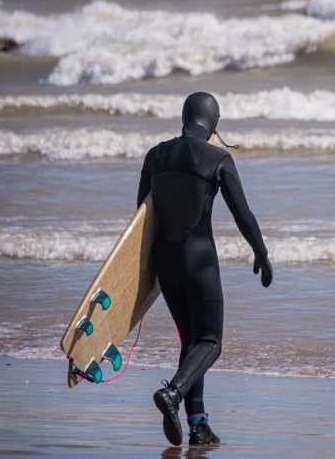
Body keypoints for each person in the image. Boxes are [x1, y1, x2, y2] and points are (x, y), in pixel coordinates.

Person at [137, 91, 273, 446]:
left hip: (165, 263)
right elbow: (243, 214)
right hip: (199, 261)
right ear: (214, 125)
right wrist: (261, 252)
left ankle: (197, 424)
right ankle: (173, 393)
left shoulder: (155, 156)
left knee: (191, 340)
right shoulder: (218, 158)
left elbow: (141, 217)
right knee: (210, 343)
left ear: (184, 117)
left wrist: (144, 273)